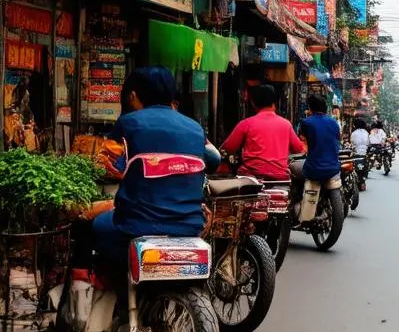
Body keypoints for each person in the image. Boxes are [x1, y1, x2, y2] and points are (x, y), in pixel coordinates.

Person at [82, 66, 220, 275]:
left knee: (90, 227)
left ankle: (85, 294)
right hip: (190, 226)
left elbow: (109, 166)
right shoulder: (194, 127)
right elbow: (214, 159)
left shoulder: (128, 123)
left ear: (133, 95)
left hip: (136, 225)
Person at [220, 84, 304, 180]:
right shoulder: (286, 124)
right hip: (280, 177)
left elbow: (226, 149)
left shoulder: (246, 124)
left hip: (250, 177)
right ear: (274, 103)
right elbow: (299, 149)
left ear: (253, 103)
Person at [298, 94, 342, 188]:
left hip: (313, 170)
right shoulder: (334, 123)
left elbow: (303, 141)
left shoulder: (306, 122)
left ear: (310, 108)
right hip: (333, 168)